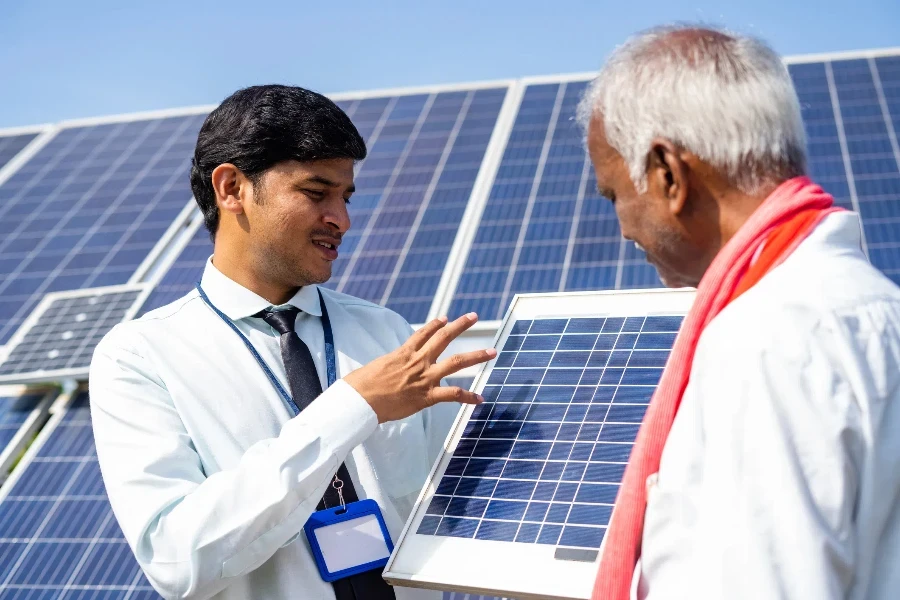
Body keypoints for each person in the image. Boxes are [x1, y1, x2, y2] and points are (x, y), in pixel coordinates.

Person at [89, 85, 495, 600]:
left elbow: (468, 508)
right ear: (232, 187)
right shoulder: (140, 357)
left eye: (346, 197)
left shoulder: (388, 334)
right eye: (315, 192)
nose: (342, 220)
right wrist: (353, 406)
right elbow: (177, 560)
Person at [577, 25, 900, 600]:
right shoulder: (871, 305)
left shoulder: (765, 343)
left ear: (668, 175)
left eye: (613, 195)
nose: (623, 229)